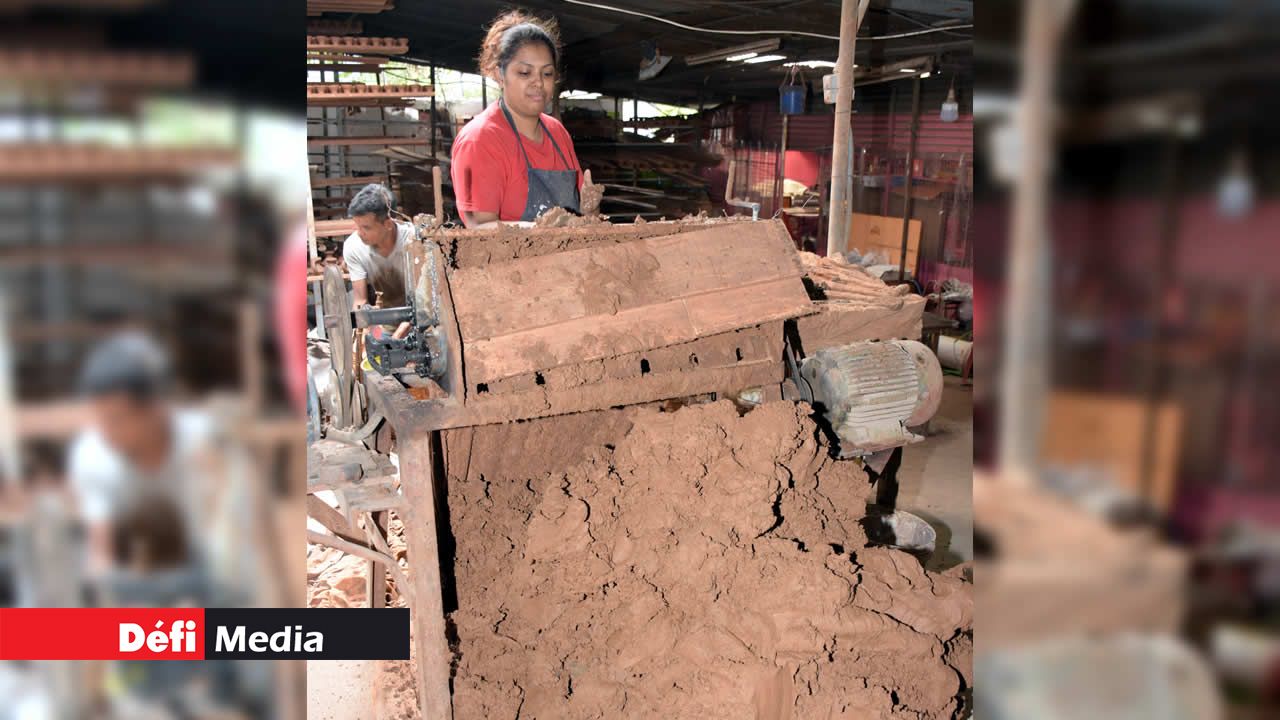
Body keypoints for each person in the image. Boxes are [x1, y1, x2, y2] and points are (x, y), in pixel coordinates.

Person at [67, 332, 213, 578]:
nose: (106, 432)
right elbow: (101, 552)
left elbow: (231, 545)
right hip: (134, 571)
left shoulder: (203, 443)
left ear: (156, 409)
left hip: (205, 563)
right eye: (100, 419)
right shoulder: (93, 456)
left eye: (116, 419)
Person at [451, 10, 583, 228]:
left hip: (566, 259)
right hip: (513, 262)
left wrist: (590, 207)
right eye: (524, 73)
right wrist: (545, 228)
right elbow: (478, 228)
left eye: (547, 73)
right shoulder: (480, 140)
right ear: (500, 74)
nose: (538, 83)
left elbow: (582, 212)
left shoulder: (557, 133)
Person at [343, 183, 414, 338]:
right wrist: (361, 336)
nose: (360, 233)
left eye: (366, 228)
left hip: (425, 322)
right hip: (388, 325)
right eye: (357, 226)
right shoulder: (354, 247)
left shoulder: (414, 242)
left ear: (387, 224)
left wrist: (397, 338)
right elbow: (360, 300)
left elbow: (426, 302)